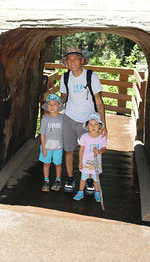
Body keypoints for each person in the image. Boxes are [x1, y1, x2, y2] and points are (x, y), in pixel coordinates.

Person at [60, 47, 107, 193]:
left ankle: (88, 179)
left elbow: (98, 101)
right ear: (66, 63)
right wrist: (52, 110)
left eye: (75, 59)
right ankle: (70, 178)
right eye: (69, 59)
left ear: (82, 61)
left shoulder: (91, 76)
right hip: (69, 117)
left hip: (88, 121)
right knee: (68, 150)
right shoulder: (65, 77)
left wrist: (103, 124)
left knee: (88, 151)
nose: (72, 62)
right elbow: (63, 97)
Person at [73, 113, 107, 202]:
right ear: (87, 126)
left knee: (96, 179)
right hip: (86, 162)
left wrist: (99, 151)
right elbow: (81, 150)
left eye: (96, 124)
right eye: (90, 124)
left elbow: (104, 148)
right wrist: (80, 162)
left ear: (100, 126)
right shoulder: (84, 137)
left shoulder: (102, 137)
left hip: (97, 163)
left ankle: (97, 192)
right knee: (83, 177)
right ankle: (80, 192)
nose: (93, 127)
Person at [39, 93, 64, 192]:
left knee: (58, 164)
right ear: (46, 106)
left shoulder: (62, 118)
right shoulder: (45, 119)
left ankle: (58, 180)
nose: (52, 106)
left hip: (58, 147)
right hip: (47, 147)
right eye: (49, 104)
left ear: (59, 106)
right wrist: (44, 148)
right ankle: (46, 181)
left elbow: (67, 130)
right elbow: (42, 134)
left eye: (55, 104)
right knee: (46, 164)